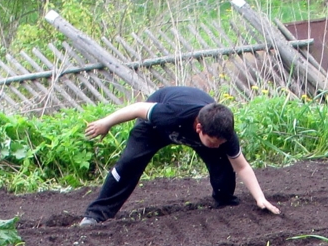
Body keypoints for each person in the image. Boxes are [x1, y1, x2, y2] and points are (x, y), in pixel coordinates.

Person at [79, 85, 281, 225]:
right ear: (199, 128)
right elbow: (137, 108)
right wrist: (105, 123)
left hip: (198, 130)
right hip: (157, 128)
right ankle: (96, 215)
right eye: (214, 141)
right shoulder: (171, 113)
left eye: (222, 141)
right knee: (129, 162)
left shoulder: (222, 133)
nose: (218, 144)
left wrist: (260, 198)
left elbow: (242, 166)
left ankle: (225, 200)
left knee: (223, 163)